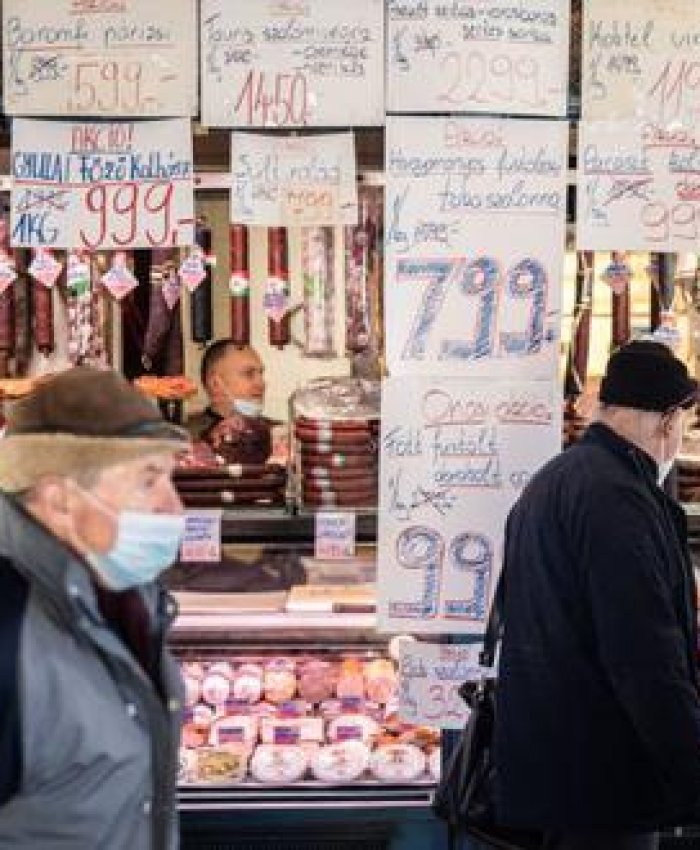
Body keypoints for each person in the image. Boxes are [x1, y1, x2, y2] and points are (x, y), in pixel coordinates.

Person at [494, 340, 700, 850]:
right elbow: (643, 656)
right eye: (687, 425)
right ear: (668, 419)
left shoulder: (556, 477)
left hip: (556, 762)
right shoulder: (618, 500)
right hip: (603, 774)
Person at [0, 366, 190, 849]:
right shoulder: (10, 627)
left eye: (170, 479)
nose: (174, 508)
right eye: (148, 481)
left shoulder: (130, 595)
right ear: (60, 500)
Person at [188, 340, 275, 464]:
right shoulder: (185, 439)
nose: (261, 383)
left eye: (261, 373)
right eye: (248, 374)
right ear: (216, 384)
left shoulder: (278, 435)